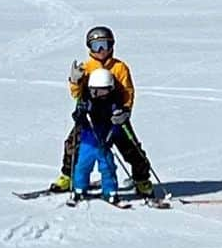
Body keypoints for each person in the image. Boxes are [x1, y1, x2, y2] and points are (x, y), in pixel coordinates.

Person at [50, 25, 156, 196]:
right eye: (95, 46)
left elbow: (128, 91)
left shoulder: (119, 67)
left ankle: (142, 179)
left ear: (111, 46)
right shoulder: (86, 67)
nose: (100, 51)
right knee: (73, 144)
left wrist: (126, 111)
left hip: (115, 116)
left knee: (132, 148)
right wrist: (75, 81)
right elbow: (76, 94)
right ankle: (67, 176)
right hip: (90, 118)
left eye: (104, 45)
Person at [68, 67, 123, 203]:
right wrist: (80, 115)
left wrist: (110, 137)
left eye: (103, 91)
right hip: (88, 143)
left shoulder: (113, 104)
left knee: (108, 167)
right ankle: (79, 189)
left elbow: (116, 126)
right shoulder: (87, 102)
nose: (99, 94)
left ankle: (110, 191)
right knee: (82, 166)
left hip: (103, 144)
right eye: (95, 91)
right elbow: (78, 117)